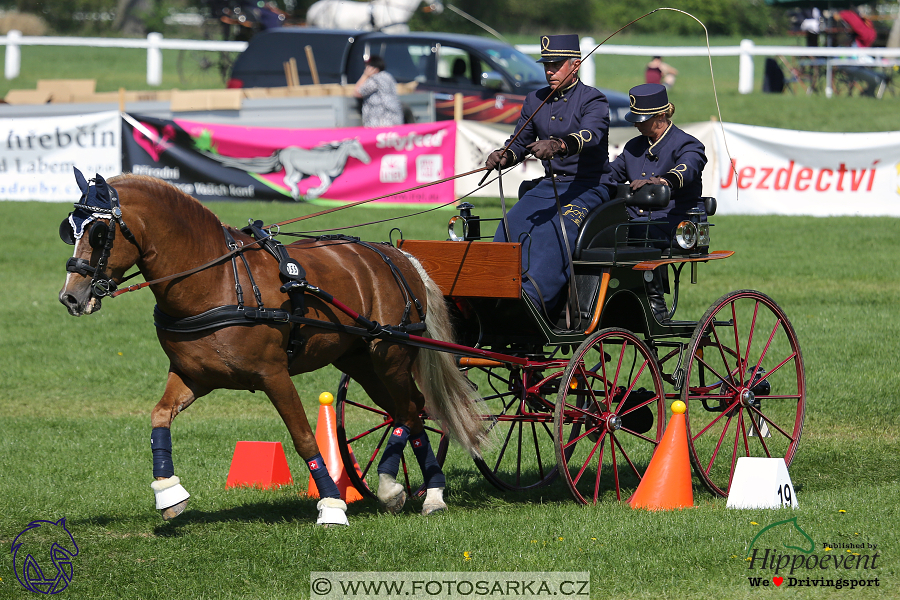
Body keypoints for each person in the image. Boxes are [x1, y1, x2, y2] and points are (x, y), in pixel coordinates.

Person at [484, 34, 611, 315]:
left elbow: (590, 135)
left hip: (589, 187)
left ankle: (533, 302)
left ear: (575, 65)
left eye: (556, 64)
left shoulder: (594, 100)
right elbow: (518, 142)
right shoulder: (535, 100)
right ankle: (495, 293)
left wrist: (559, 145)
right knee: (510, 224)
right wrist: (505, 155)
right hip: (548, 185)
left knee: (558, 229)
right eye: (546, 65)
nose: (550, 71)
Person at [601, 83, 707, 320]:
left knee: (635, 236)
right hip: (639, 223)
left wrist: (663, 181)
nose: (636, 124)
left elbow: (688, 168)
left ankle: (655, 306)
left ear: (660, 116)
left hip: (678, 224)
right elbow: (610, 175)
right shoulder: (634, 147)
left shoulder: (687, 144)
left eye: (641, 119)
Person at [354, 55, 405, 127]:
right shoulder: (388, 77)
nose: (365, 69)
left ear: (373, 68)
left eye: (367, 67)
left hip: (380, 122)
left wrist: (365, 75)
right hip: (394, 120)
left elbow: (357, 92)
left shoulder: (375, 79)